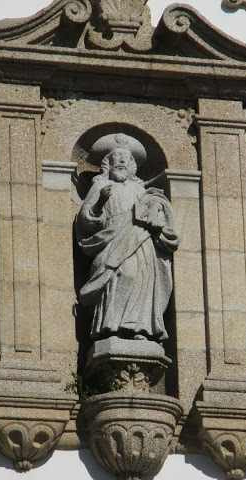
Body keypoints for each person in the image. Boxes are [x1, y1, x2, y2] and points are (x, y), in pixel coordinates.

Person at [76, 133, 180, 342]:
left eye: (126, 159)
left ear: (132, 166)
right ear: (108, 164)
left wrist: (155, 208)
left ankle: (141, 328)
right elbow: (86, 220)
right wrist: (99, 203)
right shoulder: (100, 186)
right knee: (122, 275)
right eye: (117, 157)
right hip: (112, 240)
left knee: (141, 279)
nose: (122, 161)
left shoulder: (140, 189)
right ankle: (111, 327)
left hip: (141, 242)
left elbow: (156, 206)